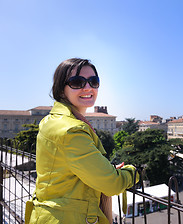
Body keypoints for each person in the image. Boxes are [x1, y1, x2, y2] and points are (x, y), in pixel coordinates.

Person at [25, 58, 139, 224]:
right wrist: (132, 172)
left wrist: (102, 168)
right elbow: (111, 185)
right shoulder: (72, 130)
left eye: (94, 81)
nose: (88, 87)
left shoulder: (51, 120)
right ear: (61, 89)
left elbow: (70, 169)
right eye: (77, 82)